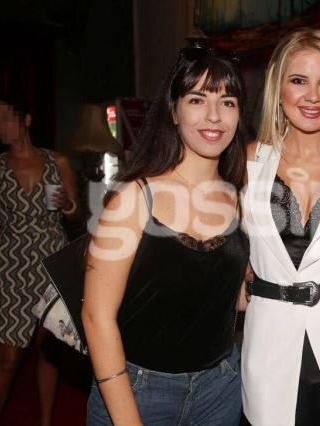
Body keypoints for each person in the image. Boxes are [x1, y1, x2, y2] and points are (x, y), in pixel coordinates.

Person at [81, 44, 249, 425]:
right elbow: (96, 316)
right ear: (173, 111)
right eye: (197, 100)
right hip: (137, 389)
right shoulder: (134, 197)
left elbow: (229, 298)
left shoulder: (239, 197)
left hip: (219, 390)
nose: (214, 115)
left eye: (227, 102)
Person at [242, 27, 320, 425]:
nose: (313, 96)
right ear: (278, 90)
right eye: (299, 81)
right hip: (268, 351)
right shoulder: (247, 162)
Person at [0, 97, 79, 425]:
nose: (1, 127)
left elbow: (75, 213)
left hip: (52, 259)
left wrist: (66, 204)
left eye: (6, 118)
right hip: (11, 266)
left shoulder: (57, 161)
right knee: (8, 357)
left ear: (26, 120)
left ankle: (45, 421)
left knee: (49, 350)